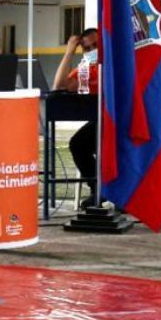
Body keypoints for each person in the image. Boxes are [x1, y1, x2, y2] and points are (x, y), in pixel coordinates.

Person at [53, 27, 101, 206]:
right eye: (87, 48)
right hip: (100, 121)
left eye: (95, 45)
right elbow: (59, 85)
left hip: (121, 121)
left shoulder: (117, 62)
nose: (92, 51)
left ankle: (115, 191)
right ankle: (98, 188)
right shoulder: (86, 69)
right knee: (78, 144)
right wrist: (69, 52)